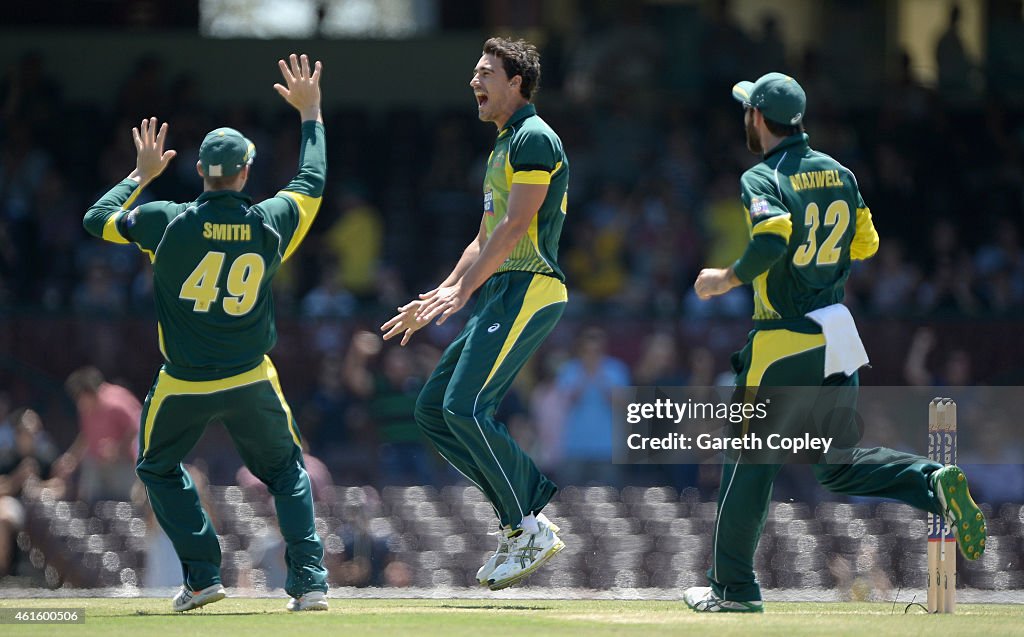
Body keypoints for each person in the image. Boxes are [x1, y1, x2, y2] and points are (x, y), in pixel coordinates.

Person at [684, 72, 986, 612]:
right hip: (837, 333)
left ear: (757, 118)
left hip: (783, 337)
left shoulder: (762, 175)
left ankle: (732, 589)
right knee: (837, 463)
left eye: (746, 111)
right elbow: (866, 241)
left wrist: (725, 279)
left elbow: (772, 235)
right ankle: (933, 479)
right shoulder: (840, 172)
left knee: (748, 461)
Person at [81, 54, 329, 613]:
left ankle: (202, 574)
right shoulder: (272, 221)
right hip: (249, 376)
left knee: (157, 467)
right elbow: (312, 178)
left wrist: (139, 177)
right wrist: (310, 112)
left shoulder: (164, 221)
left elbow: (96, 219)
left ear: (201, 172)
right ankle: (310, 582)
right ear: (245, 172)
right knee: (287, 472)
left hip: (185, 379)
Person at [381, 37, 568, 591]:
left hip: (530, 287)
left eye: (486, 72)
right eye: (475, 71)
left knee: (463, 407)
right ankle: (524, 523)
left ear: (517, 83)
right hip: (501, 290)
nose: (474, 81)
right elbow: (484, 236)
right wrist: (442, 291)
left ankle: (525, 526)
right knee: (434, 411)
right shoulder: (503, 145)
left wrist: (463, 294)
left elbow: (515, 228)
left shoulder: (533, 137)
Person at [55, 367, 140, 503]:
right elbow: (85, 435)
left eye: (80, 396)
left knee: (125, 506)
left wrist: (118, 448)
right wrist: (71, 458)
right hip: (96, 463)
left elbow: (136, 426)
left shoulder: (115, 402)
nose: (79, 402)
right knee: (89, 505)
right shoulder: (84, 408)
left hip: (123, 464)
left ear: (89, 391)